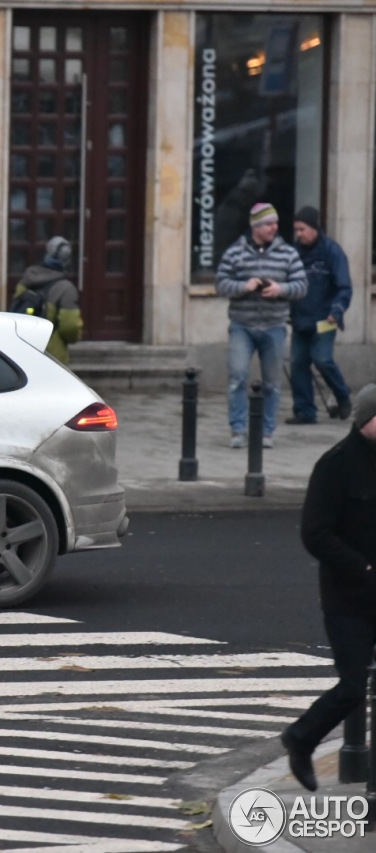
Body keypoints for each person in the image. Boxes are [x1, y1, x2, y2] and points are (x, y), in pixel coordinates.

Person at [280, 383, 376, 792]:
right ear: (368, 420)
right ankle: (301, 739)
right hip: (348, 599)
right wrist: (363, 567)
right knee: (353, 686)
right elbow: (315, 534)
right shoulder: (334, 466)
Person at [215, 203, 307, 449]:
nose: (274, 227)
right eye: (268, 223)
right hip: (241, 325)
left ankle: (267, 432)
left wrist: (281, 289)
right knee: (237, 378)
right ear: (255, 226)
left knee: (272, 383)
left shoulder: (288, 253)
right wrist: (243, 287)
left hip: (274, 326)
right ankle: (238, 430)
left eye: (275, 223)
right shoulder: (235, 252)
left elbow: (301, 285)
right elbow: (221, 284)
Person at [286, 206, 353, 424]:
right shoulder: (293, 253)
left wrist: (337, 310)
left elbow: (344, 287)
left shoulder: (332, 252)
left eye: (302, 229)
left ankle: (343, 396)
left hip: (325, 319)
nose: (299, 234)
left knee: (322, 359)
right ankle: (305, 411)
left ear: (315, 228)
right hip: (300, 319)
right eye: (296, 230)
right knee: (298, 363)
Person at [11, 236, 83, 364]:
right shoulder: (66, 288)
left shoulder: (27, 279)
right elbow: (70, 327)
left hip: (22, 350)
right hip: (51, 356)